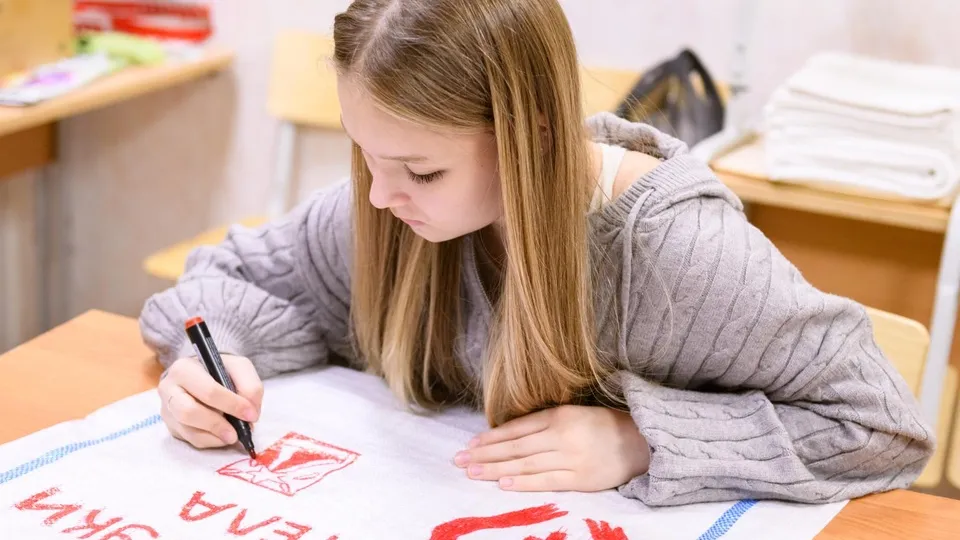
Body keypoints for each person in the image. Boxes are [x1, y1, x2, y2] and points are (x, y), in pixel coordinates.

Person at [139, 0, 934, 507]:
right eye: (364, 155)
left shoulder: (676, 251)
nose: (379, 197)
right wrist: (209, 362)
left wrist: (642, 439)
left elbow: (880, 426)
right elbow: (228, 280)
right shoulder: (391, 209)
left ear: (534, 137)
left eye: (421, 170)